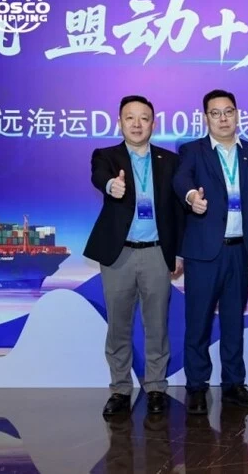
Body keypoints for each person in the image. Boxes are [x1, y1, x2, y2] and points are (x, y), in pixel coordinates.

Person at [84, 95, 184, 416]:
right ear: (120, 122)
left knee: (157, 325)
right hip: (119, 255)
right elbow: (99, 176)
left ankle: (155, 387)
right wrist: (111, 186)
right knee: (119, 326)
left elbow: (178, 212)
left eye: (144, 118)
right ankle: (119, 389)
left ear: (153, 123)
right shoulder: (106, 156)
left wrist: (178, 252)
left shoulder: (170, 161)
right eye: (130, 118)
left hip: (157, 253)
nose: (137, 124)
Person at [172, 89, 248, 414]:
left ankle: (234, 385)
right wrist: (191, 198)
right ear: (206, 118)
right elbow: (181, 180)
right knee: (198, 322)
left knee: (233, 322)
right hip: (204, 253)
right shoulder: (192, 151)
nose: (223, 118)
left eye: (228, 112)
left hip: (239, 251)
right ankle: (197, 387)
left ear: (237, 114)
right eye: (216, 113)